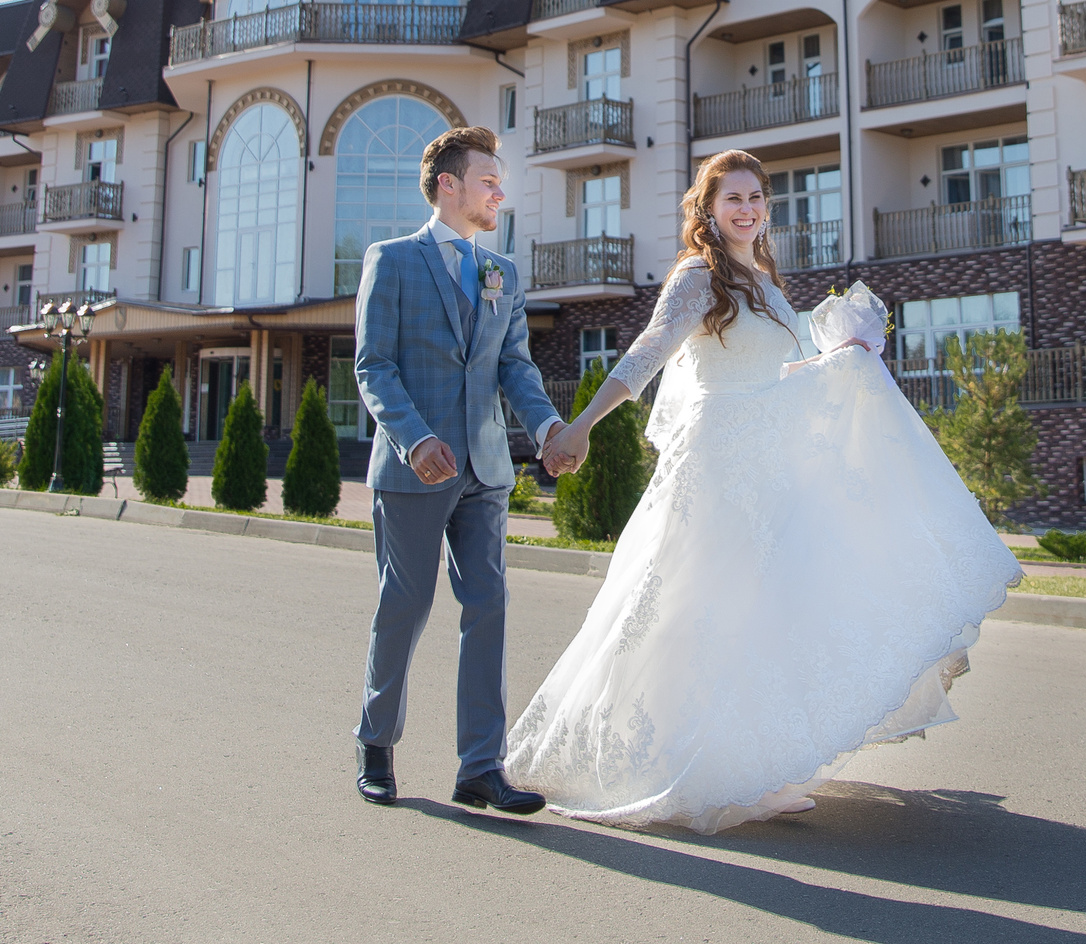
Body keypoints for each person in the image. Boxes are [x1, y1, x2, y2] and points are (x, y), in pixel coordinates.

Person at [504, 150, 1022, 832]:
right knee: (700, 608)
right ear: (708, 209)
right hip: (718, 460)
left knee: (763, 613)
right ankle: (696, 769)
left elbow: (779, 368)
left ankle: (753, 766)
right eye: (731, 199)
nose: (745, 209)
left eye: (755, 197)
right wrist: (581, 426)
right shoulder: (699, 275)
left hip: (769, 460)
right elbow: (649, 352)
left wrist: (843, 359)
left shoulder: (765, 278)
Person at [351, 125, 571, 814]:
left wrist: (546, 427)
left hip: (486, 470)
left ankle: (481, 766)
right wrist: (413, 440)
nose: (500, 191)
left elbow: (514, 365)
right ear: (449, 185)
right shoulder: (391, 261)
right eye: (488, 180)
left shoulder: (501, 269)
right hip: (415, 470)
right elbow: (373, 366)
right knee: (406, 607)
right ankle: (376, 743)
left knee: (488, 609)